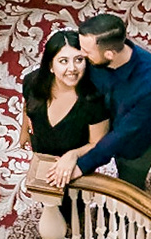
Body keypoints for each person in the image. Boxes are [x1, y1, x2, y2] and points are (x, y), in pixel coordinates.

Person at [43, 12, 151, 191]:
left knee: (130, 184)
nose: (82, 55)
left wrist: (82, 165)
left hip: (135, 142)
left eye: (86, 52)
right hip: (96, 127)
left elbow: (123, 134)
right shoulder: (97, 58)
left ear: (109, 54)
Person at [19, 29, 109, 176]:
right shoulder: (32, 82)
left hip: (77, 159)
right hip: (43, 147)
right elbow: (27, 105)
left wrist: (73, 155)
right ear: (50, 66)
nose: (72, 68)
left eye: (79, 60)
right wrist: (24, 131)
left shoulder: (95, 97)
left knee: (75, 197)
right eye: (63, 61)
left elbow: (97, 143)